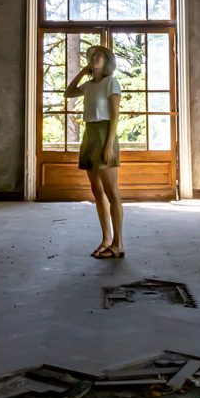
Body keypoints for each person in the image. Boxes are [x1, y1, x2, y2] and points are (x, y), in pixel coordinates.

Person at [65, 44, 124, 258]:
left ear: (107, 62)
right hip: (89, 135)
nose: (95, 58)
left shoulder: (111, 83)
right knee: (97, 191)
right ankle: (106, 239)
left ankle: (118, 244)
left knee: (111, 191)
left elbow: (115, 116)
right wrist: (82, 72)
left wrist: (109, 145)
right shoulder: (89, 86)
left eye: (100, 55)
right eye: (93, 56)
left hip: (104, 133)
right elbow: (68, 93)